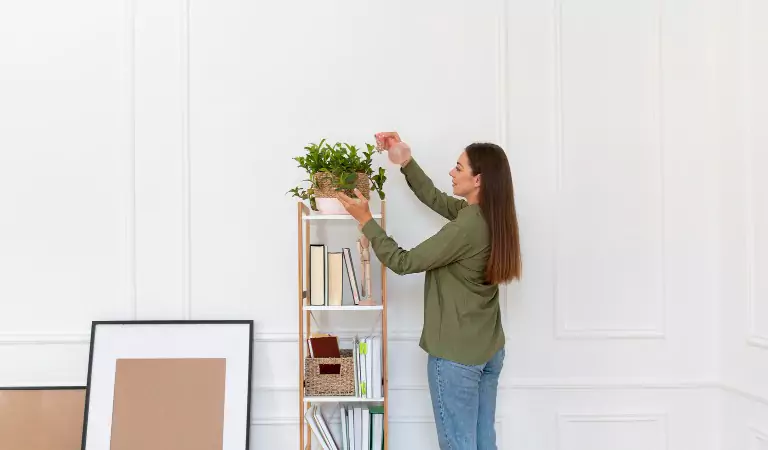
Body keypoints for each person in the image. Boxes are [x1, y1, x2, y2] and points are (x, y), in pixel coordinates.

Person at [337, 132, 522, 450]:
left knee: (458, 445)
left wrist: (367, 219)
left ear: (478, 180)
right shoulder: (491, 215)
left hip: (457, 358)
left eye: (458, 168)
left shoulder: (466, 228)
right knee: (482, 442)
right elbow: (435, 199)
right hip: (489, 350)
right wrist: (405, 161)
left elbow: (403, 261)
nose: (451, 172)